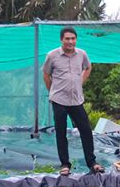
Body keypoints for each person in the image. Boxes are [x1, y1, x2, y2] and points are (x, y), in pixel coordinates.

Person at [42, 26, 103, 175]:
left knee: (86, 131)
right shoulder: (52, 55)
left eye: (73, 38)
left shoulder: (82, 54)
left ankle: (92, 162)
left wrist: (80, 81)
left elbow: (88, 67)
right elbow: (46, 74)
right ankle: (65, 164)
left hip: (76, 100)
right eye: (67, 39)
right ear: (61, 40)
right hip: (59, 100)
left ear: (76, 40)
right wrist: (53, 92)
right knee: (61, 132)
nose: (70, 41)